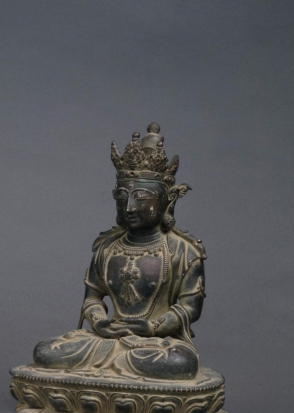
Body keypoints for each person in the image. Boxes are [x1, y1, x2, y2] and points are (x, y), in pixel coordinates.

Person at [33, 124, 206, 380]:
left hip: (153, 343)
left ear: (167, 200)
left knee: (180, 362)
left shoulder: (184, 251)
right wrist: (99, 322)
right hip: (106, 339)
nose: (130, 207)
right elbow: (92, 299)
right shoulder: (107, 247)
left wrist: (151, 327)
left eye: (141, 198)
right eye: (123, 197)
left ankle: (112, 371)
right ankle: (114, 370)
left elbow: (190, 308)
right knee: (46, 352)